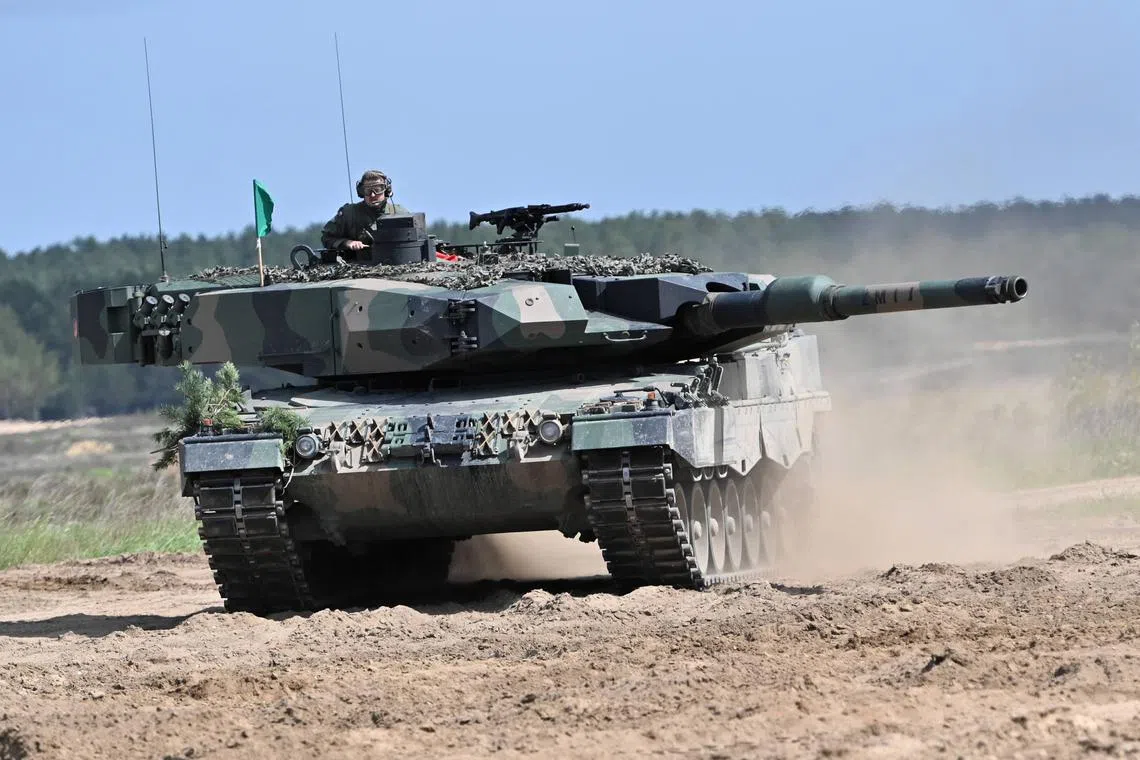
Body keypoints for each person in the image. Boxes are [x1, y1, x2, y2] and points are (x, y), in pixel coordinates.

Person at [320, 169, 410, 254]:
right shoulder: (349, 214)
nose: (373, 195)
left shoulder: (399, 213)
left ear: (386, 190)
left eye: (378, 190)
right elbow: (326, 237)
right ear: (361, 192)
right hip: (358, 265)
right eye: (368, 190)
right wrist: (347, 242)